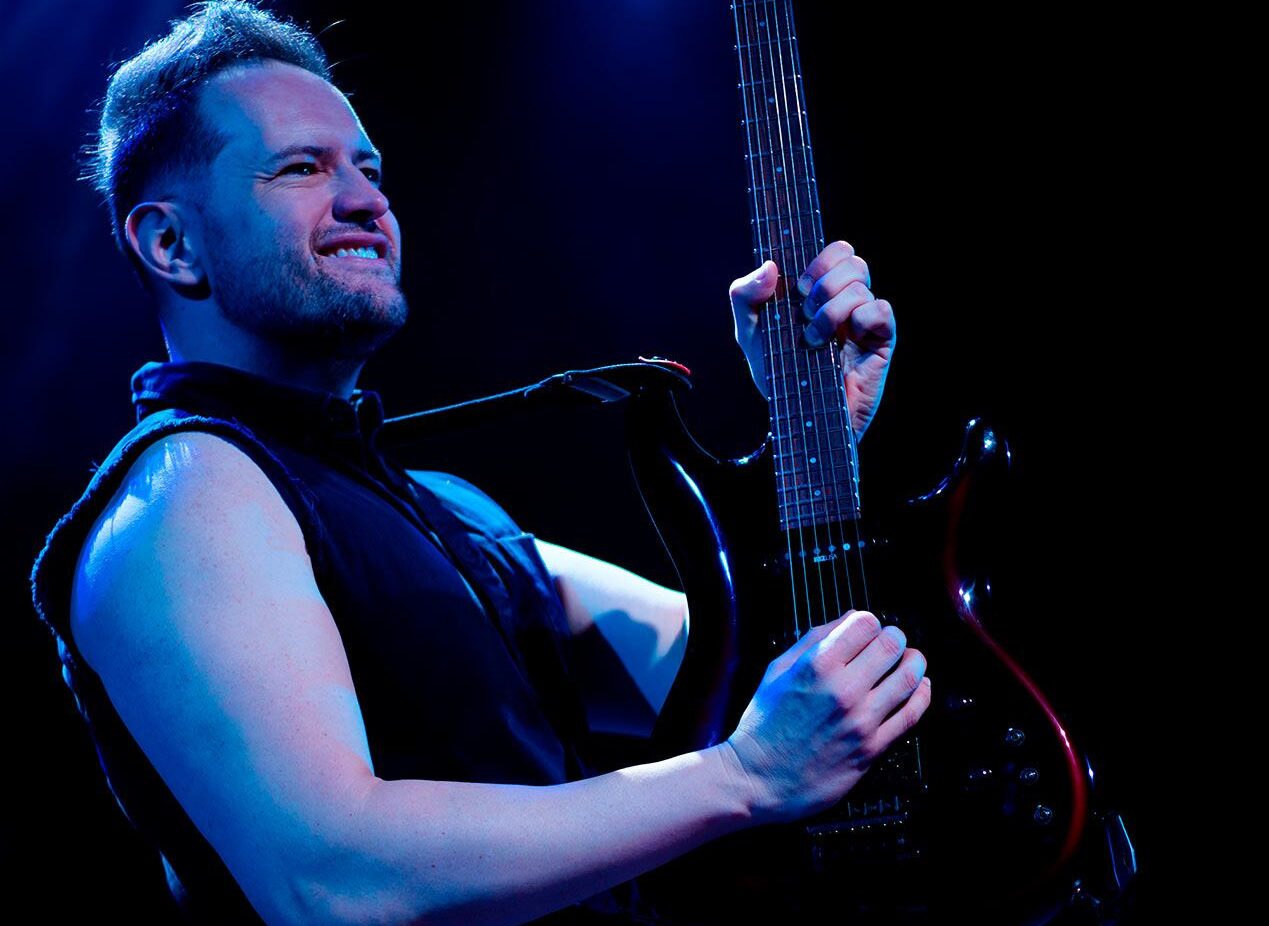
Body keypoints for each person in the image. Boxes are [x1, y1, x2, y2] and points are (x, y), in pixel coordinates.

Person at [29, 3, 927, 924]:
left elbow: (747, 671)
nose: (367, 201)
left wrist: (813, 438)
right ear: (171, 244)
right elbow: (334, 883)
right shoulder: (188, 491)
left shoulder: (447, 512)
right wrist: (743, 776)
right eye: (302, 167)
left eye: (370, 170)